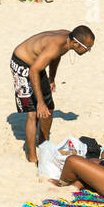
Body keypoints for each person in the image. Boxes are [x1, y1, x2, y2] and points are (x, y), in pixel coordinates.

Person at [9, 27, 95, 163]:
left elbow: (56, 57)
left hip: (37, 64)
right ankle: (32, 157)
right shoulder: (55, 47)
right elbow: (33, 72)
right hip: (22, 64)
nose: (89, 50)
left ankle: (44, 144)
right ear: (76, 44)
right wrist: (40, 102)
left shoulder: (67, 40)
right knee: (33, 113)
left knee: (49, 108)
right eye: (87, 47)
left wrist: (51, 78)